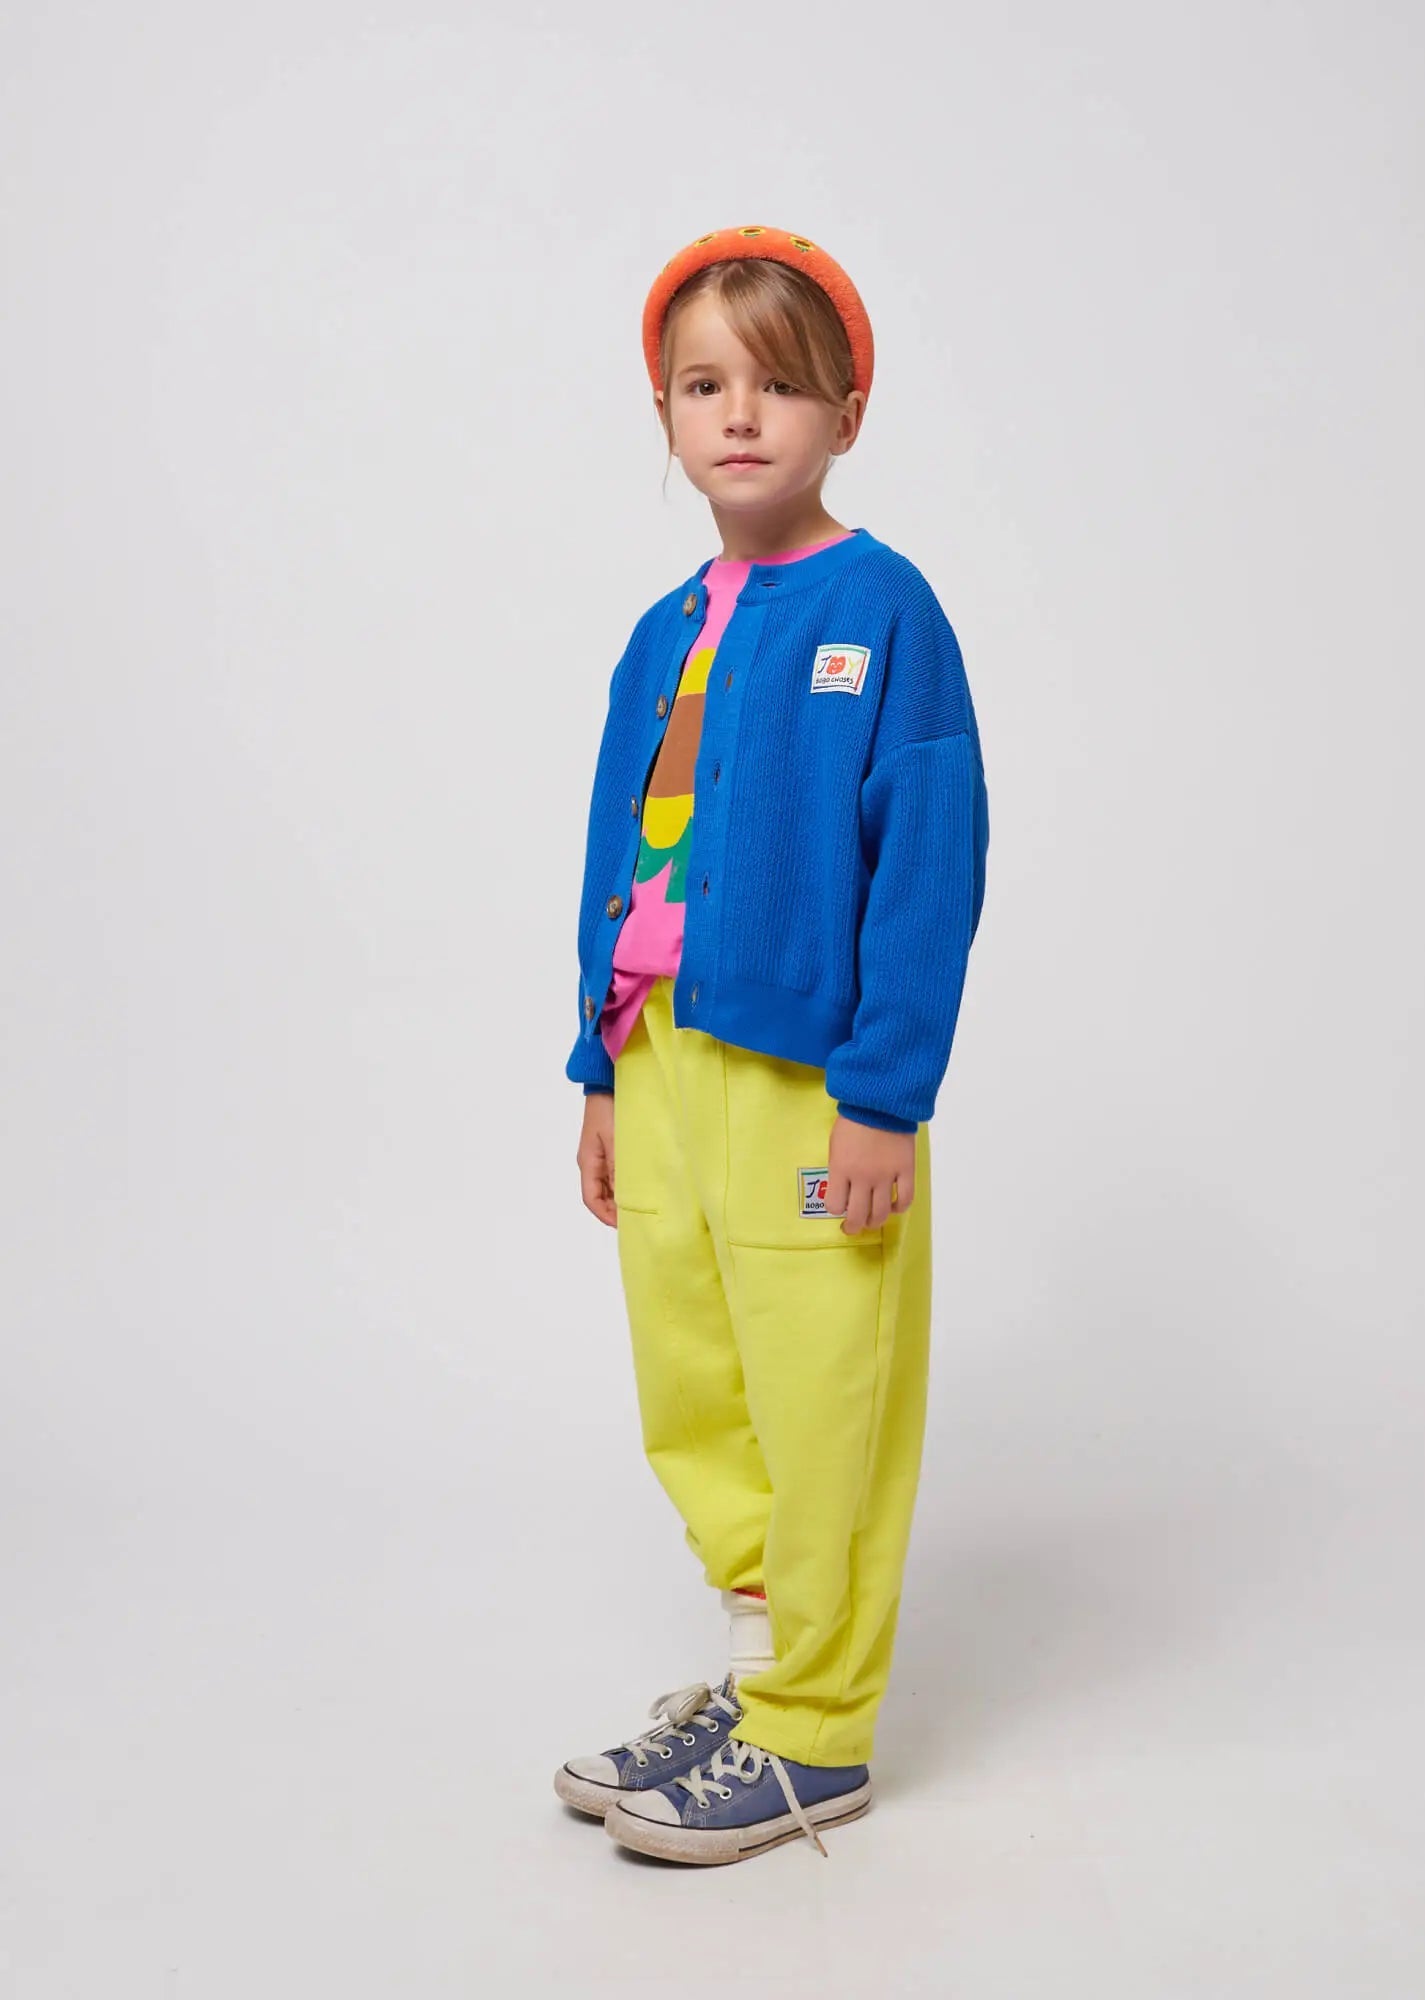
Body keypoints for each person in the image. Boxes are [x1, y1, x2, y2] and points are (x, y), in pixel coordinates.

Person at [552, 224, 989, 1865]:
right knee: (697, 1379)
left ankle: (818, 1727)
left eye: (781, 385)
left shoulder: (884, 610)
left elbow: (930, 862)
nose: (740, 415)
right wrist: (600, 1068)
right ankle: (755, 1676)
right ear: (665, 414)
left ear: (846, 414)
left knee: (822, 1388)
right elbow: (618, 850)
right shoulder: (663, 627)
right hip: (662, 1056)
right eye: (703, 385)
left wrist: (886, 1092)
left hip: (814, 1079)